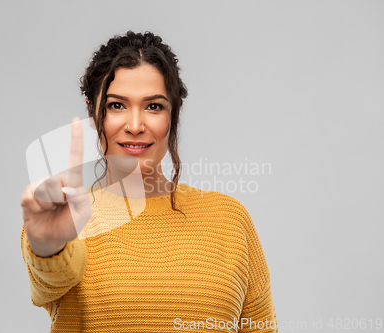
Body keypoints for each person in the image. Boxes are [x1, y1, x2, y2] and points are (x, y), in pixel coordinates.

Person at [20, 30, 278, 332]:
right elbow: (48, 285)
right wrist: (48, 245)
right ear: (92, 112)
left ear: (174, 113)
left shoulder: (230, 220)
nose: (135, 125)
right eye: (117, 105)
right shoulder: (63, 216)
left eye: (153, 106)